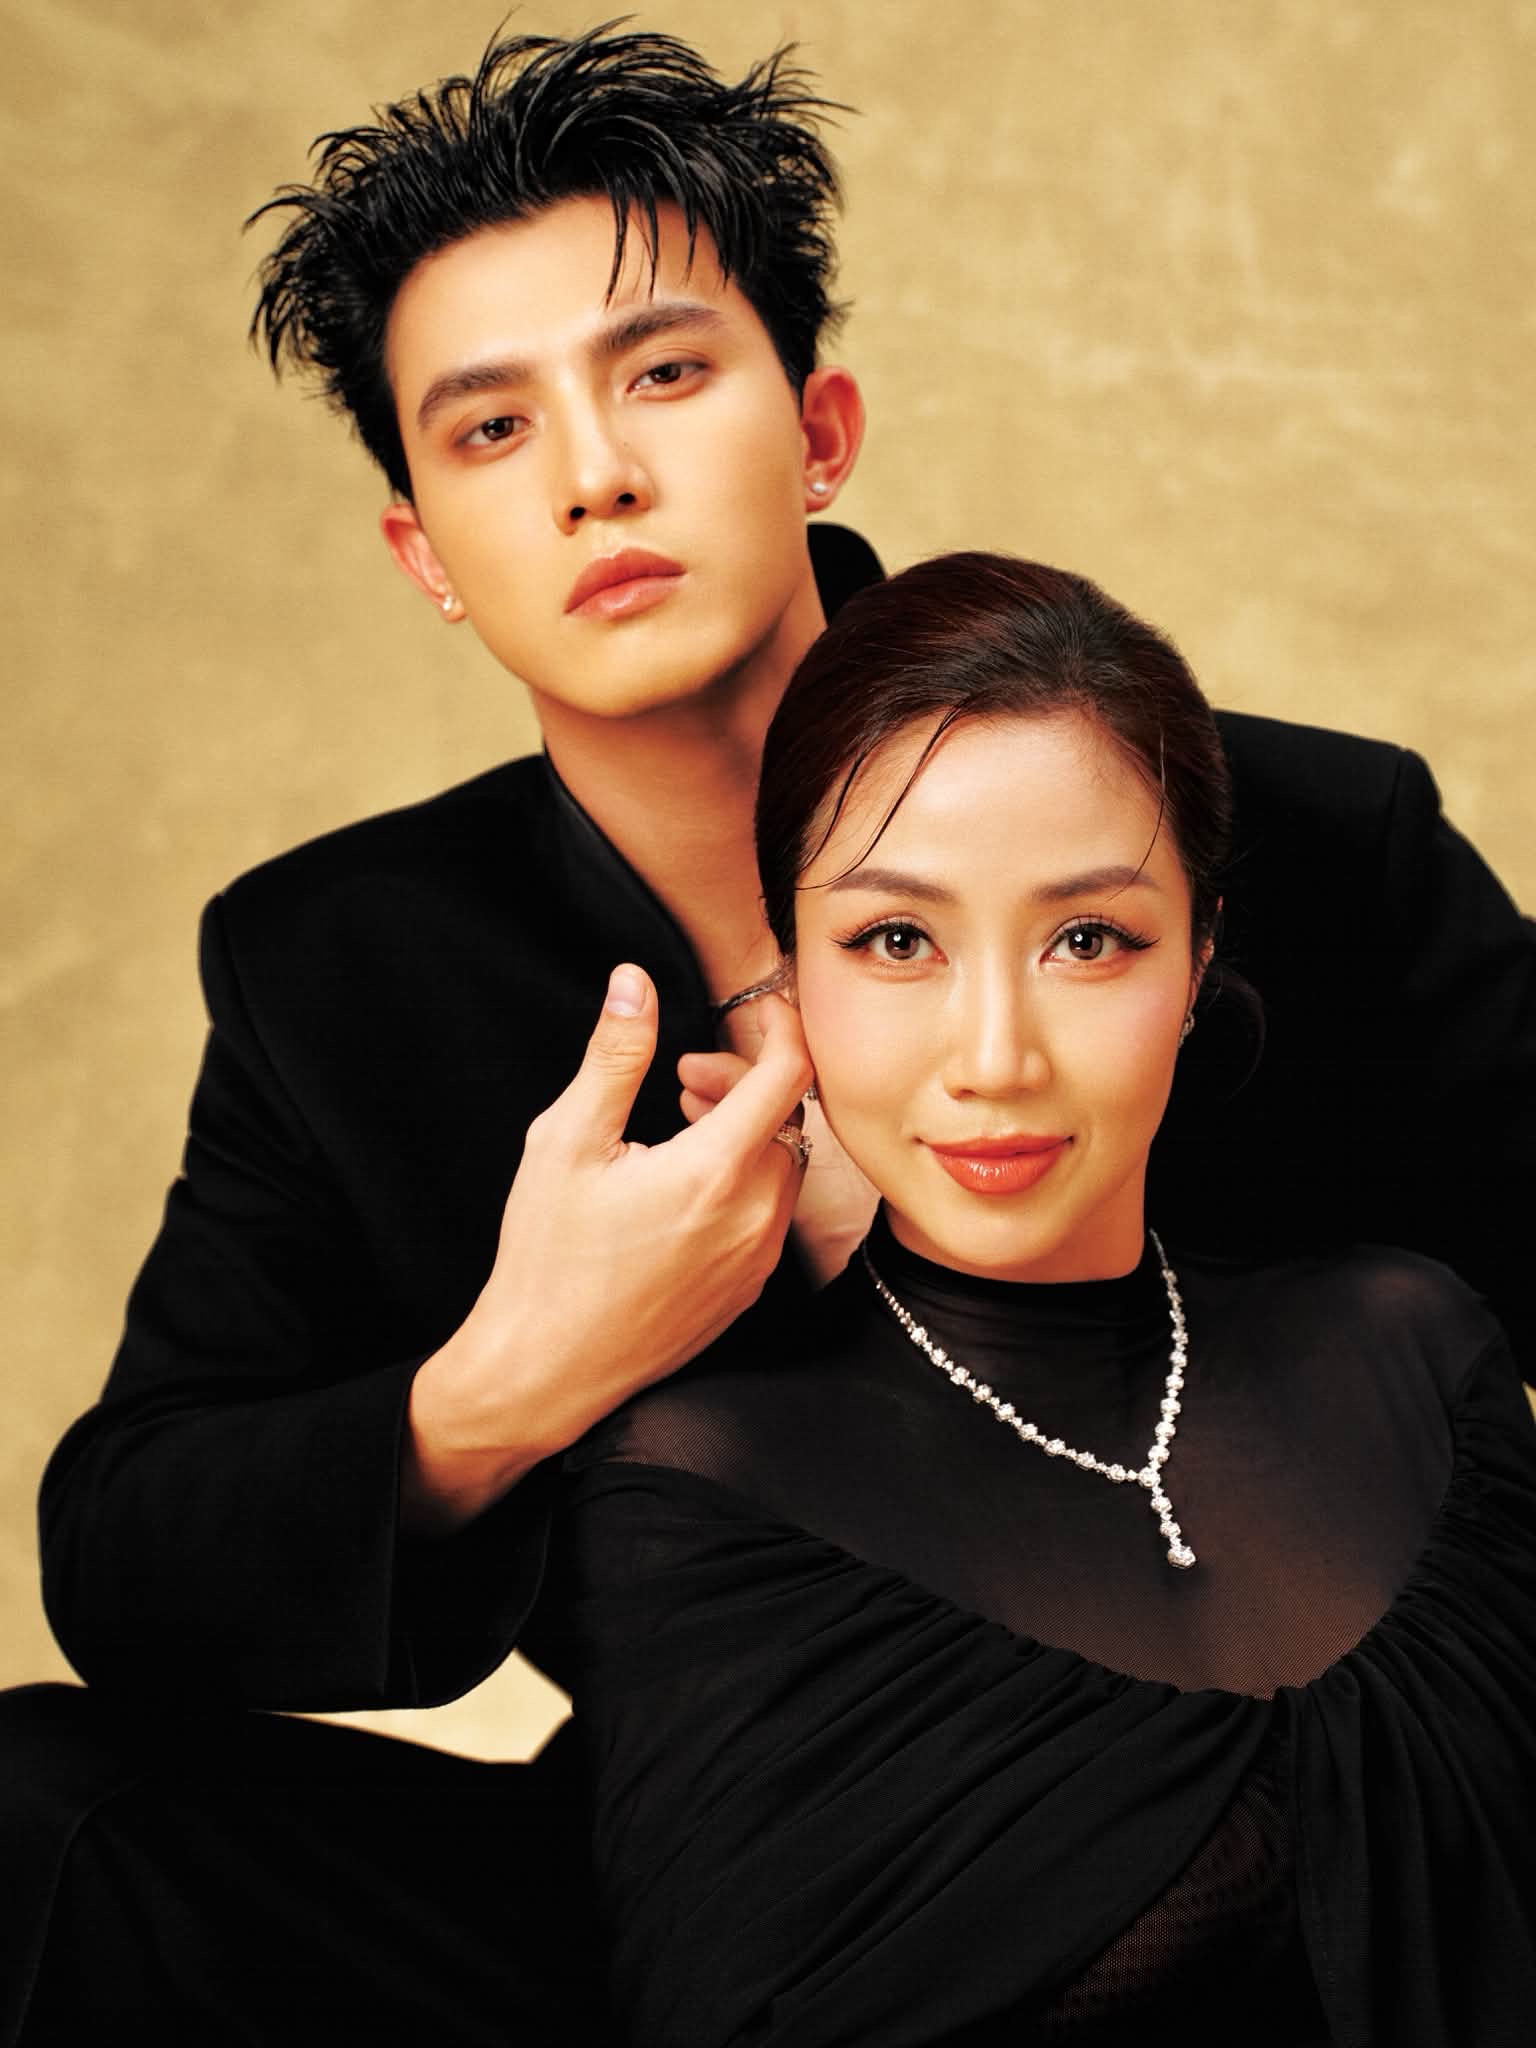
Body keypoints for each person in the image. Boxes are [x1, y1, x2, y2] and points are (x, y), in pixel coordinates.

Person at [3, 22, 1532, 2042]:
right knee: (44, 1818)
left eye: (662, 373)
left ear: (819, 430)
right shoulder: (348, 972)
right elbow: (131, 1560)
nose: (597, 477)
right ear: (425, 555)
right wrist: (523, 1369)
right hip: (756, 1867)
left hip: (1258, 1807)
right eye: (491, 429)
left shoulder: (1288, 831)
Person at [554, 551, 1536, 2047]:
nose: (995, 1058)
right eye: (897, 943)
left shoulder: (1421, 1349)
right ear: (790, 976)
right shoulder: (701, 1492)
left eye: (1089, 940)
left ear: (1198, 958)